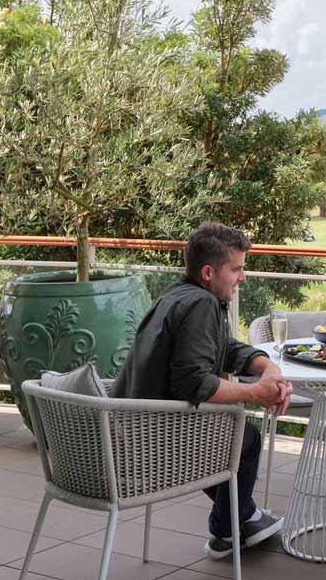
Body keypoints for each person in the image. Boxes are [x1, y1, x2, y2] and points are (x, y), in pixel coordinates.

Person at [113, 222, 294, 558]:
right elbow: (195, 383)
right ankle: (227, 529)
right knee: (245, 437)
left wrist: (266, 367)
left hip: (130, 430)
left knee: (231, 435)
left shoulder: (177, 294)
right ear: (209, 272)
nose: (243, 278)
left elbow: (222, 348)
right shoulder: (201, 305)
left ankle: (245, 516)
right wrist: (257, 393)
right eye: (237, 269)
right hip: (152, 443)